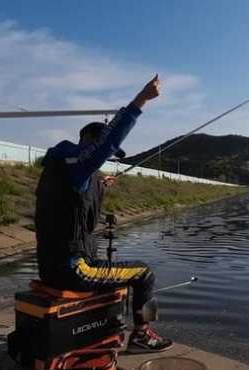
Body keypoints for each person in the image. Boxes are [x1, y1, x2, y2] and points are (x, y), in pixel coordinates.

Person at [34, 75, 173, 354]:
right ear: (89, 141)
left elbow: (73, 200)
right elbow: (105, 145)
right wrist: (141, 99)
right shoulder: (76, 163)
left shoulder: (60, 169)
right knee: (144, 272)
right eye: (102, 155)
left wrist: (99, 183)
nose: (105, 161)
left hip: (50, 267)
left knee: (118, 270)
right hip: (73, 270)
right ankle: (141, 336)